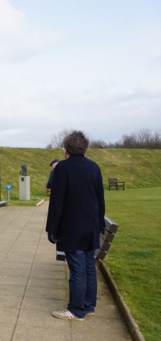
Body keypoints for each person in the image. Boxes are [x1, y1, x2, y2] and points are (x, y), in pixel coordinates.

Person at [46, 131, 105, 320]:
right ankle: (88, 306)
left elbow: (57, 202)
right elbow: (100, 199)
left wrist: (51, 228)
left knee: (77, 268)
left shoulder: (63, 168)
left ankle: (76, 310)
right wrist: (99, 223)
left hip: (72, 227)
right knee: (88, 267)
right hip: (90, 227)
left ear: (66, 150)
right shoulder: (94, 167)